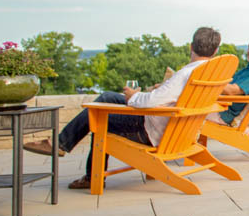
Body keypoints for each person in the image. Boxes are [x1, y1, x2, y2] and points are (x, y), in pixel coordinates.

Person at [24, 27, 222, 190]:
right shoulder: (210, 76)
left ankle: (86, 171)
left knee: (98, 116)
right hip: (180, 132)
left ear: (191, 46)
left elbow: (149, 102)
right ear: (214, 52)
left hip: (150, 131)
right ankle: (61, 145)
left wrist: (133, 96)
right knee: (107, 97)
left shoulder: (185, 74)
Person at [207, 33, 249, 126]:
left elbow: (232, 91)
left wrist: (209, 82)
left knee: (186, 114)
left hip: (224, 113)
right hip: (219, 106)